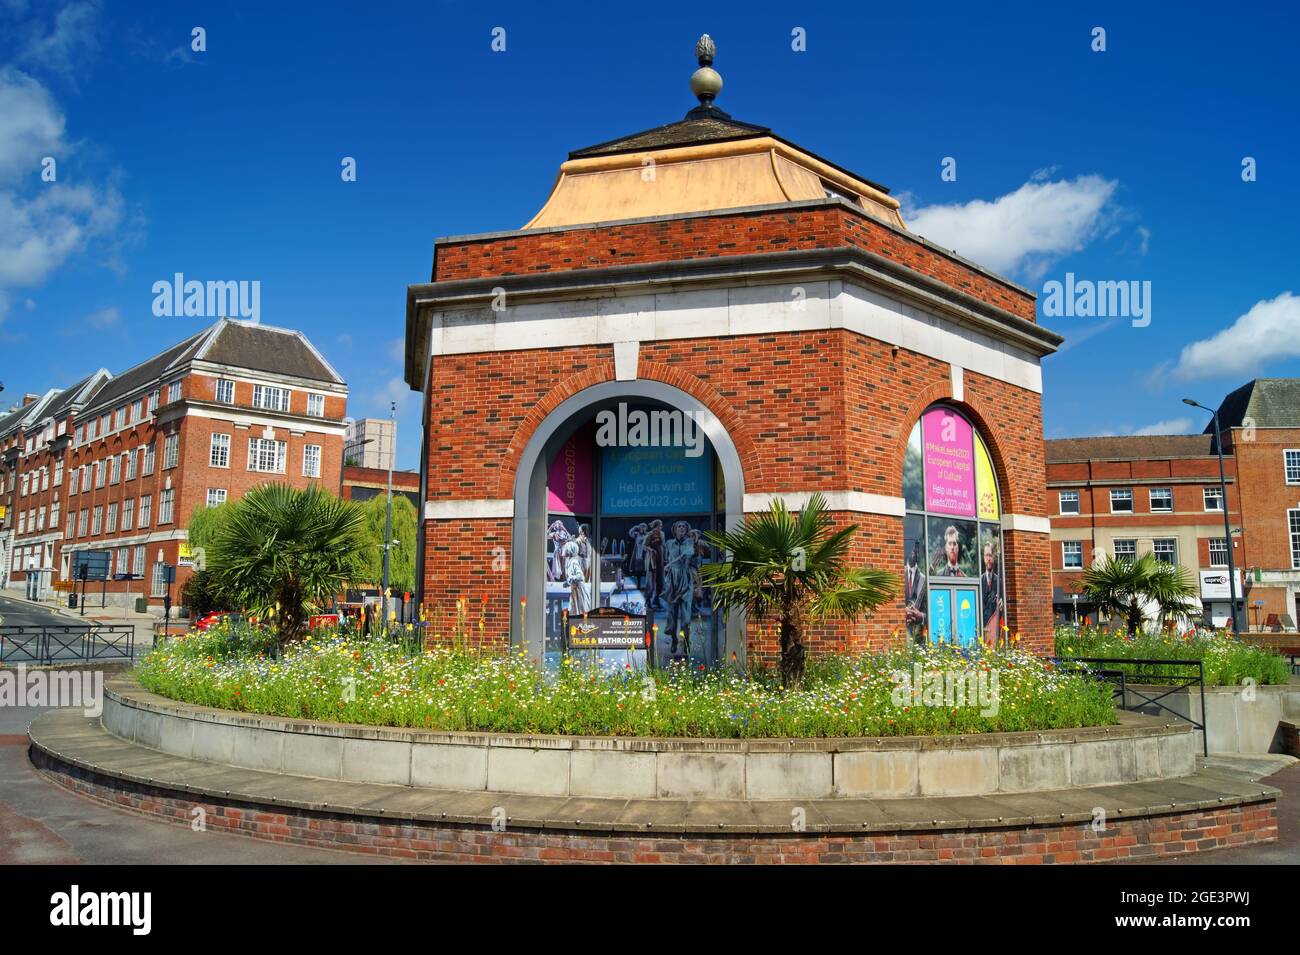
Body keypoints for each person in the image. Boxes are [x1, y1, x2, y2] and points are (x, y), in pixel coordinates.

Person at [663, 520, 698, 656]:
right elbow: (666, 558)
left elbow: (689, 554)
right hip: (672, 580)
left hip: (685, 580)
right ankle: (673, 640)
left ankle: (686, 643)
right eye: (679, 526)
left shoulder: (689, 542)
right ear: (674, 529)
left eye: (684, 526)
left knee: (686, 617)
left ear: (687, 529)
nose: (681, 528)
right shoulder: (669, 543)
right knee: (672, 615)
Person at [904, 539, 927, 643]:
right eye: (912, 547)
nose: (914, 550)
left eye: (917, 548)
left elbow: (930, 610)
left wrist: (921, 616)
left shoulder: (924, 578)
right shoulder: (899, 573)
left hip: (918, 633)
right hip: (900, 631)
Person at [981, 539, 1003, 645]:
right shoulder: (979, 581)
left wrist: (1001, 607)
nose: (988, 559)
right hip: (983, 628)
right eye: (986, 555)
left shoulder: (999, 581)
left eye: (990, 555)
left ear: (994, 558)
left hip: (995, 629)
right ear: (983, 557)